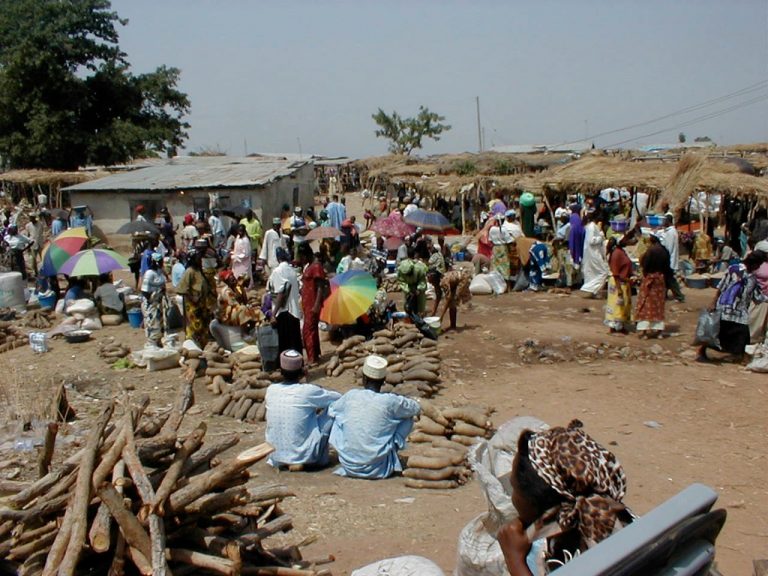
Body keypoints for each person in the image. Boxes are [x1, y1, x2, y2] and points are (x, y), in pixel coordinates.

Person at [497, 419, 632, 575]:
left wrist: (514, 559)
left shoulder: (549, 556)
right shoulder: (621, 519)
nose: (512, 497)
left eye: (514, 488)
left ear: (534, 502)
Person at [329, 355, 420, 479]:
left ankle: (349, 453)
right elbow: (415, 407)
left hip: (349, 467)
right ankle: (388, 453)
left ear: (364, 379)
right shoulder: (390, 401)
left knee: (336, 416)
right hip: (378, 469)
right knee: (407, 417)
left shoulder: (351, 396)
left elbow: (332, 409)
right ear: (383, 381)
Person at [264, 350, 341, 470]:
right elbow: (337, 398)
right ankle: (318, 459)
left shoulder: (271, 390)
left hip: (275, 455)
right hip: (304, 456)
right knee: (335, 408)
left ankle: (287, 459)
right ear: (302, 371)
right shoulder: (308, 391)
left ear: (281, 371)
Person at [698, 252, 768, 363]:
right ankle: (703, 350)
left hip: (741, 311)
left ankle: (739, 355)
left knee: (743, 334)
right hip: (726, 307)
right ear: (753, 263)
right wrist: (713, 302)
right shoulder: (733, 269)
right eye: (758, 265)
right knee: (719, 332)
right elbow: (722, 286)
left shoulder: (752, 278)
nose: (758, 267)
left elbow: (757, 296)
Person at [176, 249, 215, 347]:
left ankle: (202, 344)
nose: (200, 260)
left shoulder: (199, 270)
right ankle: (194, 346)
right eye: (198, 258)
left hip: (202, 303)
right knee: (195, 326)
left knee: (203, 324)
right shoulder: (189, 271)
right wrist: (193, 298)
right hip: (193, 305)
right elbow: (182, 289)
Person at [268, 247, 302, 353]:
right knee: (295, 344)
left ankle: (288, 368)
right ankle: (297, 367)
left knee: (285, 346)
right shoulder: (292, 271)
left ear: (278, 259)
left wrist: (273, 314)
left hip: (284, 313)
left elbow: (281, 293)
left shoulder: (278, 271)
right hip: (294, 312)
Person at [298, 244, 328, 366]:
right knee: (312, 329)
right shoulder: (309, 266)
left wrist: (316, 305)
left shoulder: (316, 267)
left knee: (308, 331)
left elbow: (320, 287)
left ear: (306, 255)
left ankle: (312, 359)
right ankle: (315, 355)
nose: (301, 259)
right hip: (307, 302)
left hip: (312, 303)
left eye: (302, 257)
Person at [635, 233, 668, 339]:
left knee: (645, 303)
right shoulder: (664, 251)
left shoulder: (650, 251)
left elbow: (644, 264)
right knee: (658, 305)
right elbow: (667, 266)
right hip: (660, 279)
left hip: (649, 278)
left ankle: (644, 331)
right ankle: (659, 331)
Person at [604, 236, 633, 334]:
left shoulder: (621, 252)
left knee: (622, 305)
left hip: (624, 282)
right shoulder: (617, 254)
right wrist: (619, 290)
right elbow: (616, 273)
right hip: (618, 283)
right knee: (617, 305)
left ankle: (620, 325)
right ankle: (614, 326)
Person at [140, 252, 167, 348]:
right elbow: (145, 291)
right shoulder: (149, 273)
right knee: (152, 323)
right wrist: (152, 301)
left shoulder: (159, 271)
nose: (161, 263)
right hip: (151, 303)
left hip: (159, 303)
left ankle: (158, 342)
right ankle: (152, 343)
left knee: (160, 324)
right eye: (160, 262)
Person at [579, 211, 609, 297]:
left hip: (593, 253)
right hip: (593, 254)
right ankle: (590, 288)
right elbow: (592, 241)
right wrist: (601, 236)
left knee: (594, 272)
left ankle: (593, 291)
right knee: (604, 272)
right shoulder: (592, 227)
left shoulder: (591, 226)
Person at [661, 213, 685, 302]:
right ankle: (664, 295)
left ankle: (679, 296)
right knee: (666, 279)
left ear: (668, 221)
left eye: (665, 221)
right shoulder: (669, 231)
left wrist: (665, 258)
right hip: (669, 259)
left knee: (670, 279)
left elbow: (669, 247)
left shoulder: (671, 232)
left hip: (669, 260)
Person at [397, 246, 427, 316]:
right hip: (408, 288)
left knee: (420, 307)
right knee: (409, 306)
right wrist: (407, 290)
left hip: (418, 289)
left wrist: (419, 289)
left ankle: (420, 318)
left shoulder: (419, 268)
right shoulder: (401, 268)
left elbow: (422, 280)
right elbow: (401, 281)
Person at [489, 214, 513, 282]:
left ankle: (496, 281)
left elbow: (490, 240)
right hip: (503, 248)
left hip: (495, 248)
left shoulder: (492, 229)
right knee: (505, 265)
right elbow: (509, 241)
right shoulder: (504, 229)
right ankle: (506, 283)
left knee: (495, 265)